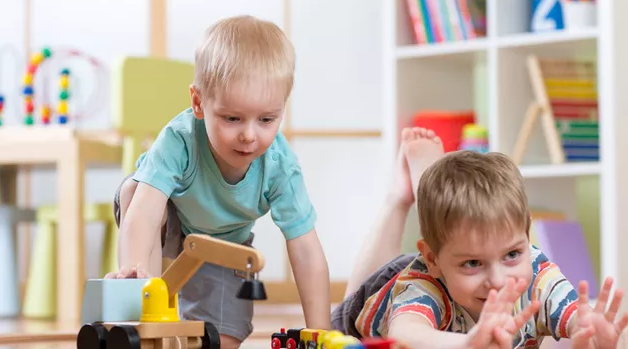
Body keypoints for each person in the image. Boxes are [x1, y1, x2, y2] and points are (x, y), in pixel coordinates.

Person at [105, 15, 331, 349]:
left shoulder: (280, 166)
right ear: (199, 102)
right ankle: (143, 295)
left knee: (220, 340)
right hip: (169, 226)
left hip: (225, 248)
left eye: (267, 119)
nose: (249, 135)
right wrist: (134, 275)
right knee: (134, 190)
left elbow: (306, 251)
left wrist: (321, 334)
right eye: (232, 118)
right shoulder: (179, 140)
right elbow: (144, 212)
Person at [332, 127, 628, 349]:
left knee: (450, 228)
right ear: (433, 259)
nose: (498, 280)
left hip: (449, 252)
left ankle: (427, 182)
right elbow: (405, 332)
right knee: (360, 293)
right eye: (474, 263)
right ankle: (400, 197)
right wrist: (468, 344)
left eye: (512, 255)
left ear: (526, 236)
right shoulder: (423, 286)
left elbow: (574, 314)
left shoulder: (535, 272)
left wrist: (588, 330)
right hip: (374, 306)